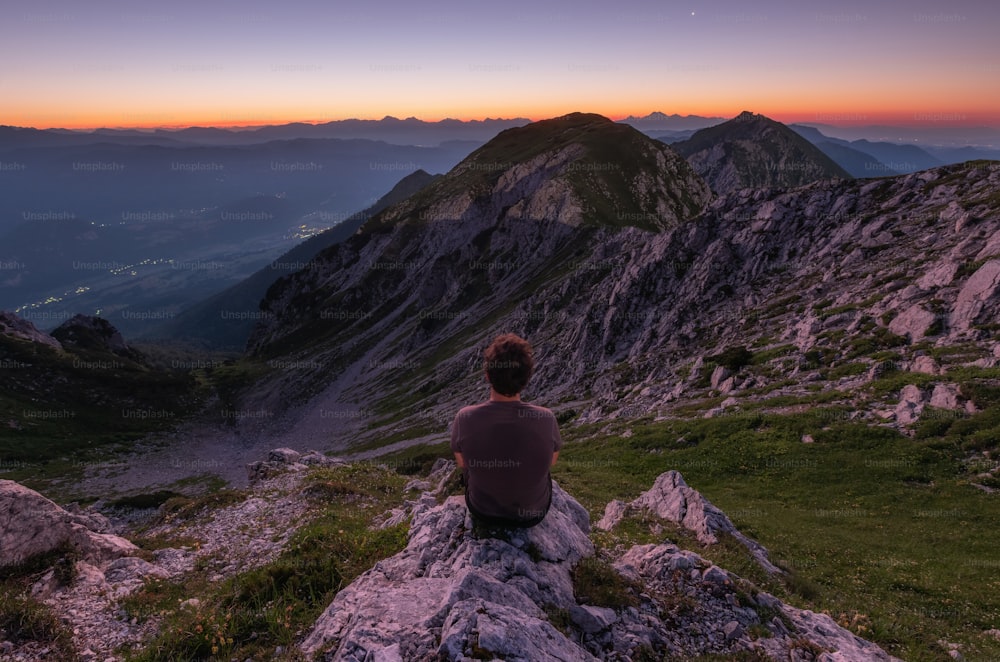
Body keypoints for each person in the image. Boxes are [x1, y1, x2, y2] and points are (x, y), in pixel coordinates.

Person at [450, 333, 561, 528]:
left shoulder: (465, 416)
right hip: (533, 515)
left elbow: (463, 463)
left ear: (487, 375)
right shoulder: (546, 418)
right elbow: (551, 461)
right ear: (527, 377)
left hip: (483, 511)